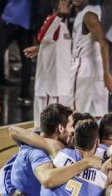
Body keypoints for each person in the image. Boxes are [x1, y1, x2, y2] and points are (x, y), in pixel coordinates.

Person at [24, 0, 73, 129]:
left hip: (62, 87)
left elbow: (54, 45)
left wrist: (39, 49)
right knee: (46, 130)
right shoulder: (53, 20)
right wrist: (59, 14)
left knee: (60, 130)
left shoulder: (65, 23)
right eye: (66, 2)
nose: (70, 5)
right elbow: (41, 36)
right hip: (51, 90)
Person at [71, 0, 112, 117]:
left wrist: (107, 74)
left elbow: (103, 42)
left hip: (84, 67)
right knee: (99, 112)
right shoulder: (96, 10)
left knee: (76, 112)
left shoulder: (88, 14)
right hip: (98, 65)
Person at [0, 0, 34, 104]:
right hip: (13, 20)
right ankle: (24, 94)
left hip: (17, 21)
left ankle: (24, 93)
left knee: (26, 59)